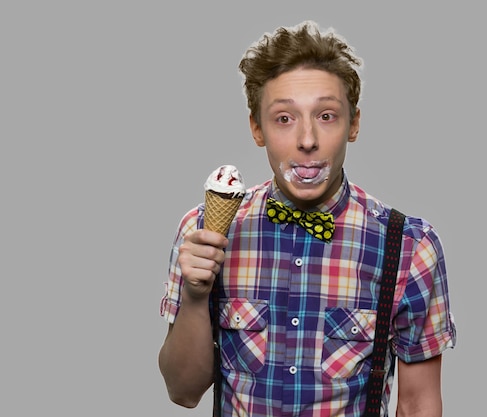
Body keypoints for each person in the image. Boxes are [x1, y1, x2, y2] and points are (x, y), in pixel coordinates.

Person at [158, 20, 456, 417]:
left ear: (354, 124)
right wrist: (196, 295)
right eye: (284, 118)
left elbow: (419, 403)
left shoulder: (408, 246)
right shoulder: (204, 232)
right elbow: (183, 391)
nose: (307, 139)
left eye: (327, 115)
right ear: (256, 129)